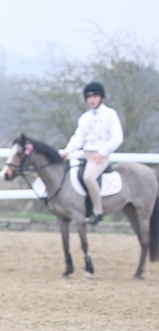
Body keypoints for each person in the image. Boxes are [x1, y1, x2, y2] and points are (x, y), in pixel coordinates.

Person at [59, 81, 123, 226]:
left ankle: (97, 211)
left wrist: (102, 153)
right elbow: (78, 137)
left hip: (100, 155)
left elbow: (117, 138)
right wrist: (67, 151)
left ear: (101, 97)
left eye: (94, 97)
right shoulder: (85, 117)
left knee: (88, 177)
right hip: (85, 153)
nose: (91, 100)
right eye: (89, 97)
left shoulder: (110, 114)